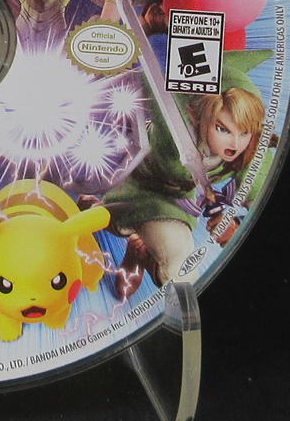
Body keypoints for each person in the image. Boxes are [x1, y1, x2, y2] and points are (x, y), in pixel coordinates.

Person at [103, 57, 270, 288]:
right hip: (133, 181)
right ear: (201, 117)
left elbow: (262, 196)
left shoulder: (249, 151)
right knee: (106, 217)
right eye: (223, 129)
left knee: (179, 269)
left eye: (244, 133)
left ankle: (144, 253)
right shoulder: (174, 125)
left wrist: (238, 226)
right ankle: (120, 230)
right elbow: (145, 80)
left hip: (174, 203)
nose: (235, 144)